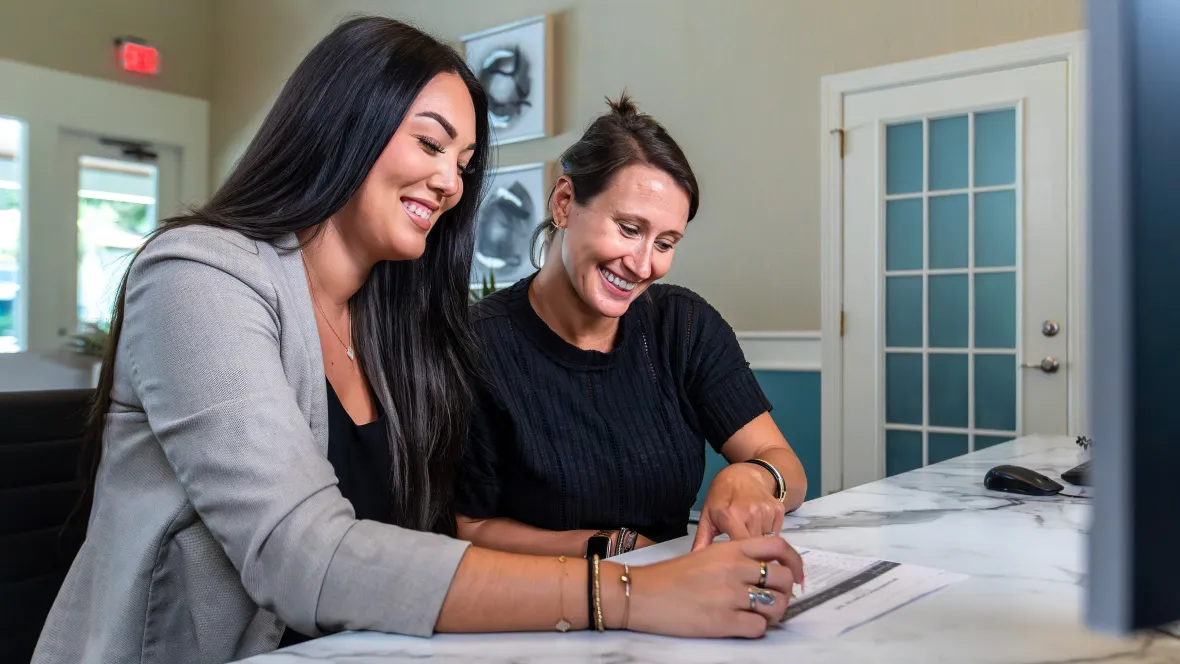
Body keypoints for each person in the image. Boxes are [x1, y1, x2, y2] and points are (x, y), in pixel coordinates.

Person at [32, 18, 803, 664]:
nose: (450, 183)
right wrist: (628, 591)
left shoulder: (401, 322)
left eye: (464, 164)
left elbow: (426, 540)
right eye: (431, 145)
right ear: (343, 121)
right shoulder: (197, 274)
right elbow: (303, 557)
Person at [455, 95, 808, 559]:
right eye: (628, 228)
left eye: (665, 242)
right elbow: (466, 527)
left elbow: (788, 469)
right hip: (540, 611)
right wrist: (610, 547)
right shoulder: (476, 345)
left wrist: (754, 475)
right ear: (564, 203)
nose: (643, 265)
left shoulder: (683, 326)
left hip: (672, 594)